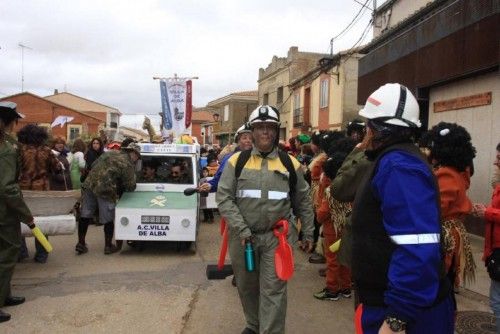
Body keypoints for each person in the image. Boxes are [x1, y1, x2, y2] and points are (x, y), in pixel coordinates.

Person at [352, 84, 454, 333]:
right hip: (388, 302)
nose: (365, 130)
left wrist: (397, 318)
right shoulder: (393, 160)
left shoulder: (398, 166)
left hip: (405, 313)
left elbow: (417, 247)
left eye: (369, 123)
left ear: (378, 128)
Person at [216, 105, 314, 334]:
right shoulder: (235, 162)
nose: (265, 133)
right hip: (243, 239)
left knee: (273, 291)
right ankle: (253, 325)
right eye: (260, 128)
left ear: (276, 131)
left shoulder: (291, 163)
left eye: (270, 127)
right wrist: (242, 230)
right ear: (251, 131)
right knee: (247, 287)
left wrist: (308, 232)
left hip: (276, 240)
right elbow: (224, 198)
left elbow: (303, 199)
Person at [426, 122, 477, 289]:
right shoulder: (459, 172)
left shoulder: (446, 173)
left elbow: (436, 208)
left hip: (445, 234)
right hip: (453, 232)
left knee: (441, 283)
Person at [0, 102, 37, 323]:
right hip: (4, 212)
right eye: (16, 120)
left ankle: (5, 294)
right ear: (8, 122)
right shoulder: (6, 149)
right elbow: (7, 187)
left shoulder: (7, 143)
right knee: (6, 254)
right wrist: (25, 214)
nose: (17, 124)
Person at [76, 143, 140, 255]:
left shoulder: (110, 152)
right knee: (108, 218)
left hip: (90, 184)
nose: (136, 160)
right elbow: (130, 186)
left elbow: (94, 164)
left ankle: (81, 243)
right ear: (133, 153)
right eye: (137, 157)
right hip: (106, 189)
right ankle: (108, 246)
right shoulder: (127, 163)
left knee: (85, 214)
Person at [17, 124, 60, 263]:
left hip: (23, 190)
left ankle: (21, 252)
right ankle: (41, 254)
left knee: (20, 219)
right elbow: (57, 168)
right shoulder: (47, 151)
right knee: (41, 221)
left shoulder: (19, 150)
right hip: (42, 189)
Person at [481, 142, 500, 329]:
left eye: (499, 158)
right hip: (496, 248)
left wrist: (487, 212)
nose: (495, 162)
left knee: (497, 302)